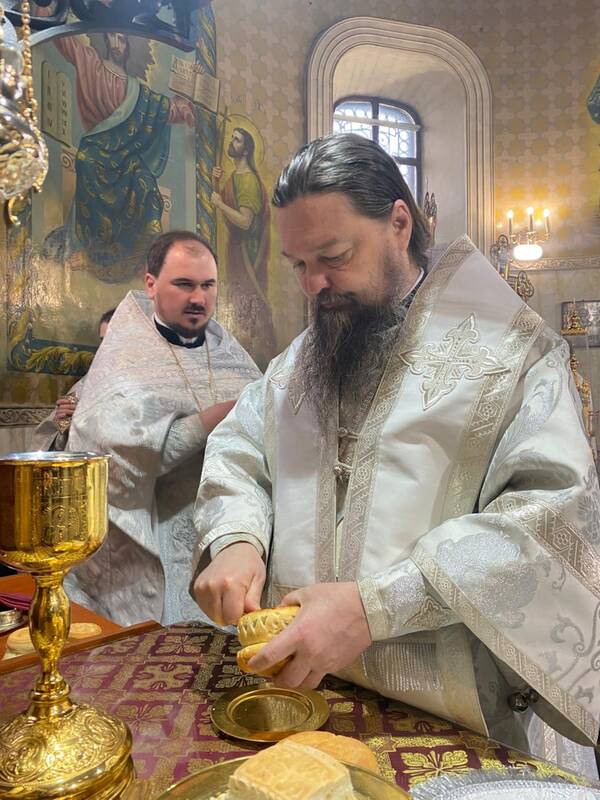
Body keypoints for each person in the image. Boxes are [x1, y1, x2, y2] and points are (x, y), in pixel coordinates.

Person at [193, 134, 600, 775]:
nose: (314, 285)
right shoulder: (299, 361)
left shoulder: (512, 355)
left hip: (449, 718)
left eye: (334, 256)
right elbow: (239, 447)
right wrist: (236, 538)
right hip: (299, 696)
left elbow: (546, 520)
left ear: (399, 224)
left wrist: (374, 608)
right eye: (298, 265)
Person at [67, 230, 261, 626]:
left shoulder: (229, 352)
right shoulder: (124, 356)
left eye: (208, 285)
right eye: (184, 284)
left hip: (225, 531)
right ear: (151, 284)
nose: (199, 298)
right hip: (159, 533)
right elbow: (121, 457)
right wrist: (217, 417)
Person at [42, 27, 195, 275]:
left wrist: (184, 108)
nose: (117, 43)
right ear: (104, 38)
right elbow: (67, 43)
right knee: (86, 160)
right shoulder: (91, 65)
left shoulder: (139, 91)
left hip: (126, 159)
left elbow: (164, 109)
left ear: (129, 46)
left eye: (122, 39)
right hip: (97, 150)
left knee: (146, 183)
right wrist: (47, 15)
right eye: (113, 37)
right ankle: (93, 247)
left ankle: (141, 254)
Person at [212, 127, 276, 364]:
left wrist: (219, 204)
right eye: (232, 138)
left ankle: (253, 357)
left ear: (247, 149)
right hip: (236, 249)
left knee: (247, 305)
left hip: (246, 253)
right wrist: (216, 181)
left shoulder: (248, 180)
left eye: (237, 140)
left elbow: (245, 221)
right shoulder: (235, 178)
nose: (232, 142)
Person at [29, 308, 116, 451]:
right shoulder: (85, 384)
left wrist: (88, 419)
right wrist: (63, 421)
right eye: (102, 342)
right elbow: (54, 440)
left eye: (112, 340)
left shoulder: (149, 381)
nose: (104, 349)